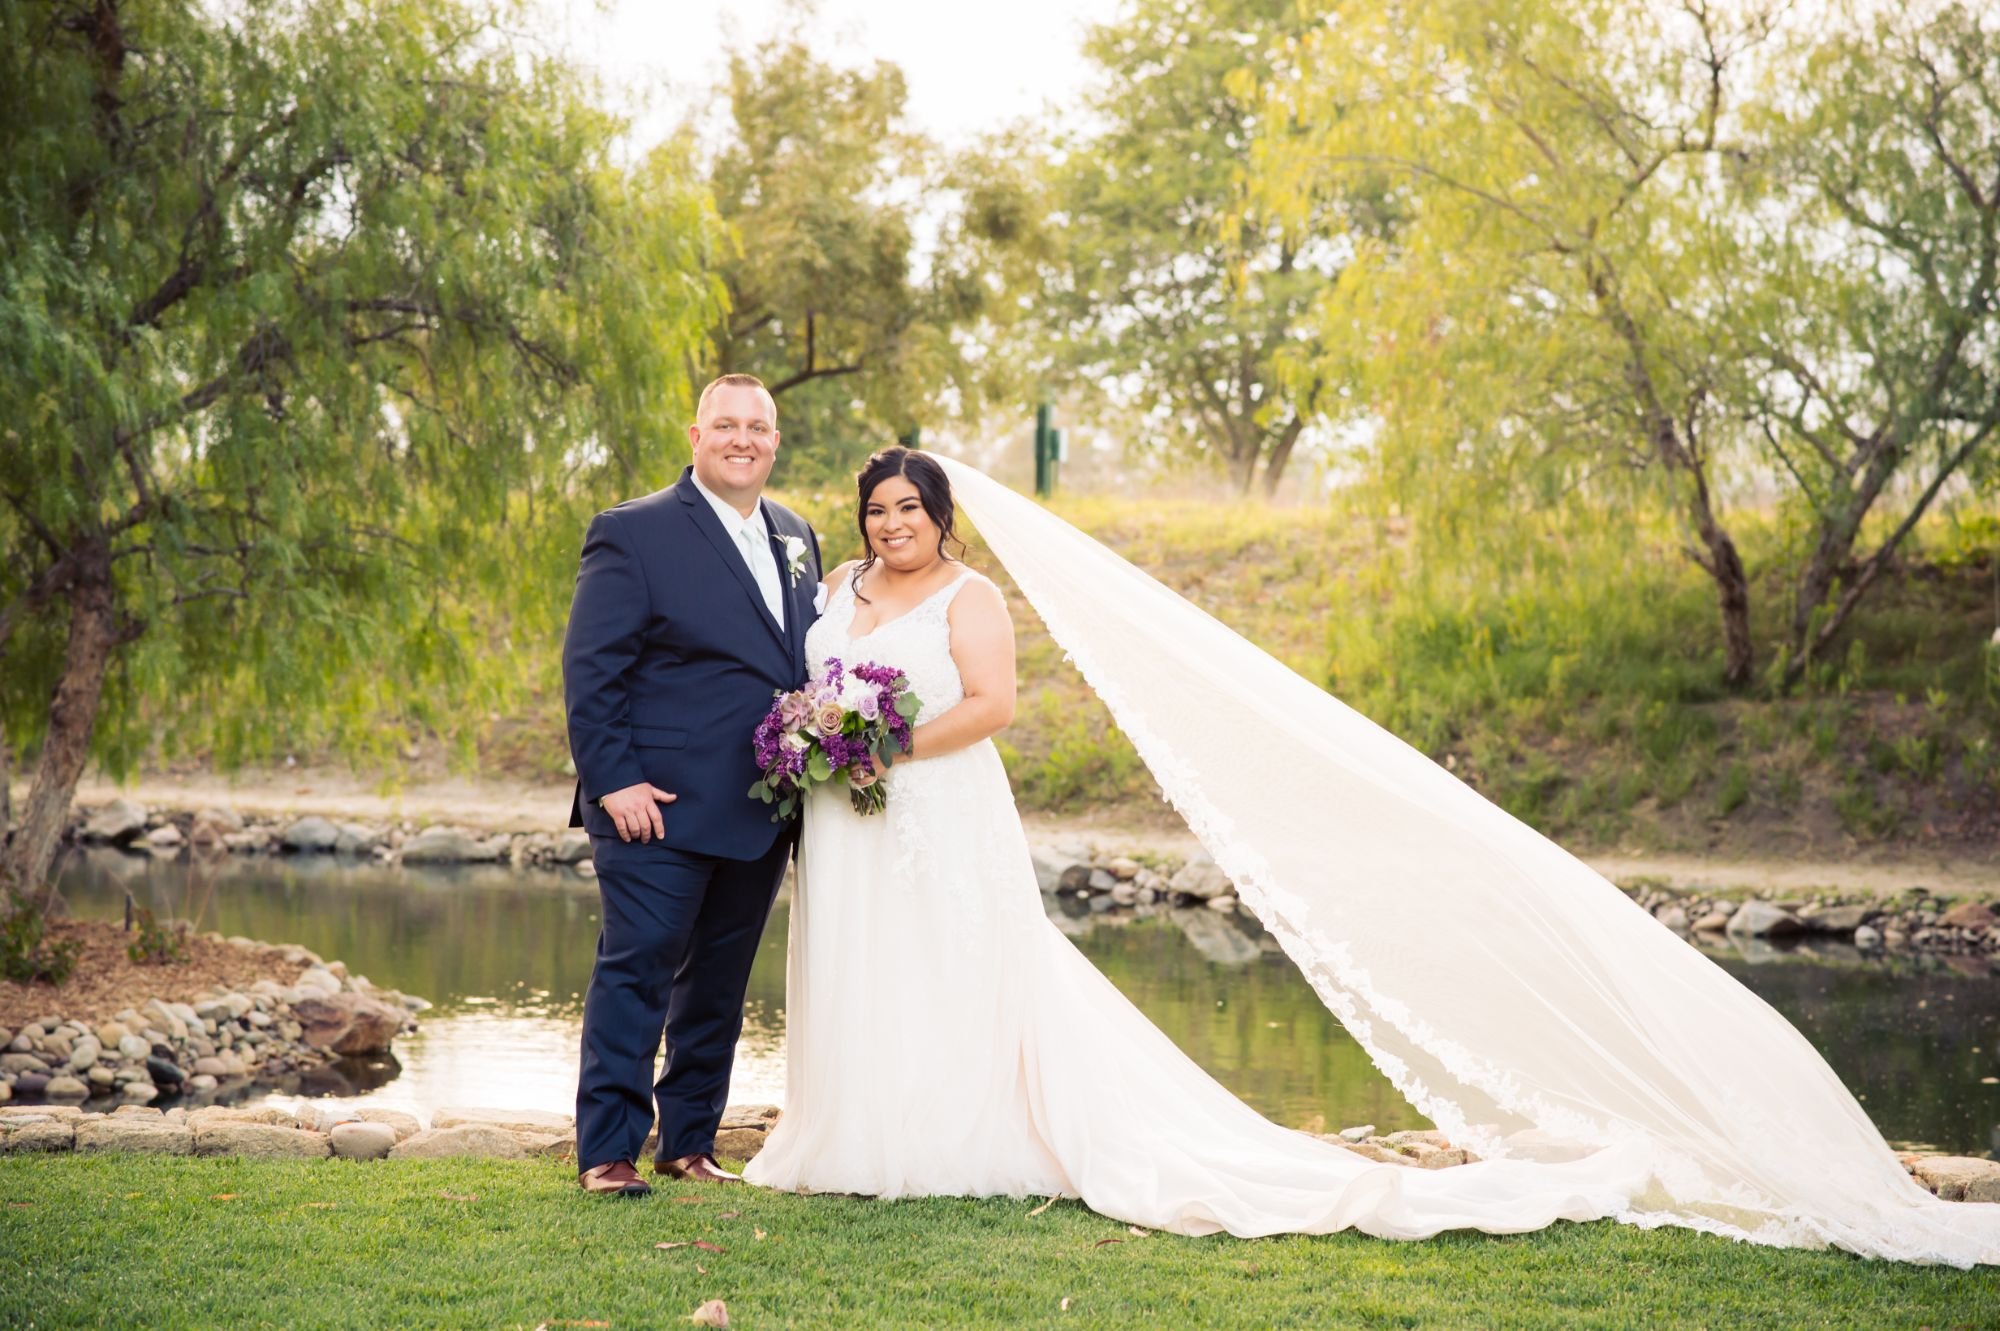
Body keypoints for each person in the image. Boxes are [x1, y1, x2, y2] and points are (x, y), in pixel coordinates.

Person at [743, 445, 1998, 1265]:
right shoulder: (840, 586)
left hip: (934, 809)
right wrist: (820, 743)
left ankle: (949, 1136)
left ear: (942, 516)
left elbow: (993, 707)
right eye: (877, 509)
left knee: (958, 967)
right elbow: (816, 681)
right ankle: (852, 1128)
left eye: (908, 508)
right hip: (850, 824)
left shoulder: (969, 598)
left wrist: (879, 746)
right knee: (867, 966)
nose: (890, 524)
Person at [561, 374, 820, 1196]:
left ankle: (690, 1143)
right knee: (636, 973)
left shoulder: (796, 533)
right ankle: (608, 1152)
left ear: (774, 440)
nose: (743, 439)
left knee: (718, 984)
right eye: (726, 425)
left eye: (758, 427)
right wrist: (615, 781)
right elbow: (591, 669)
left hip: (760, 805)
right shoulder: (633, 531)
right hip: (656, 805)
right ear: (696, 436)